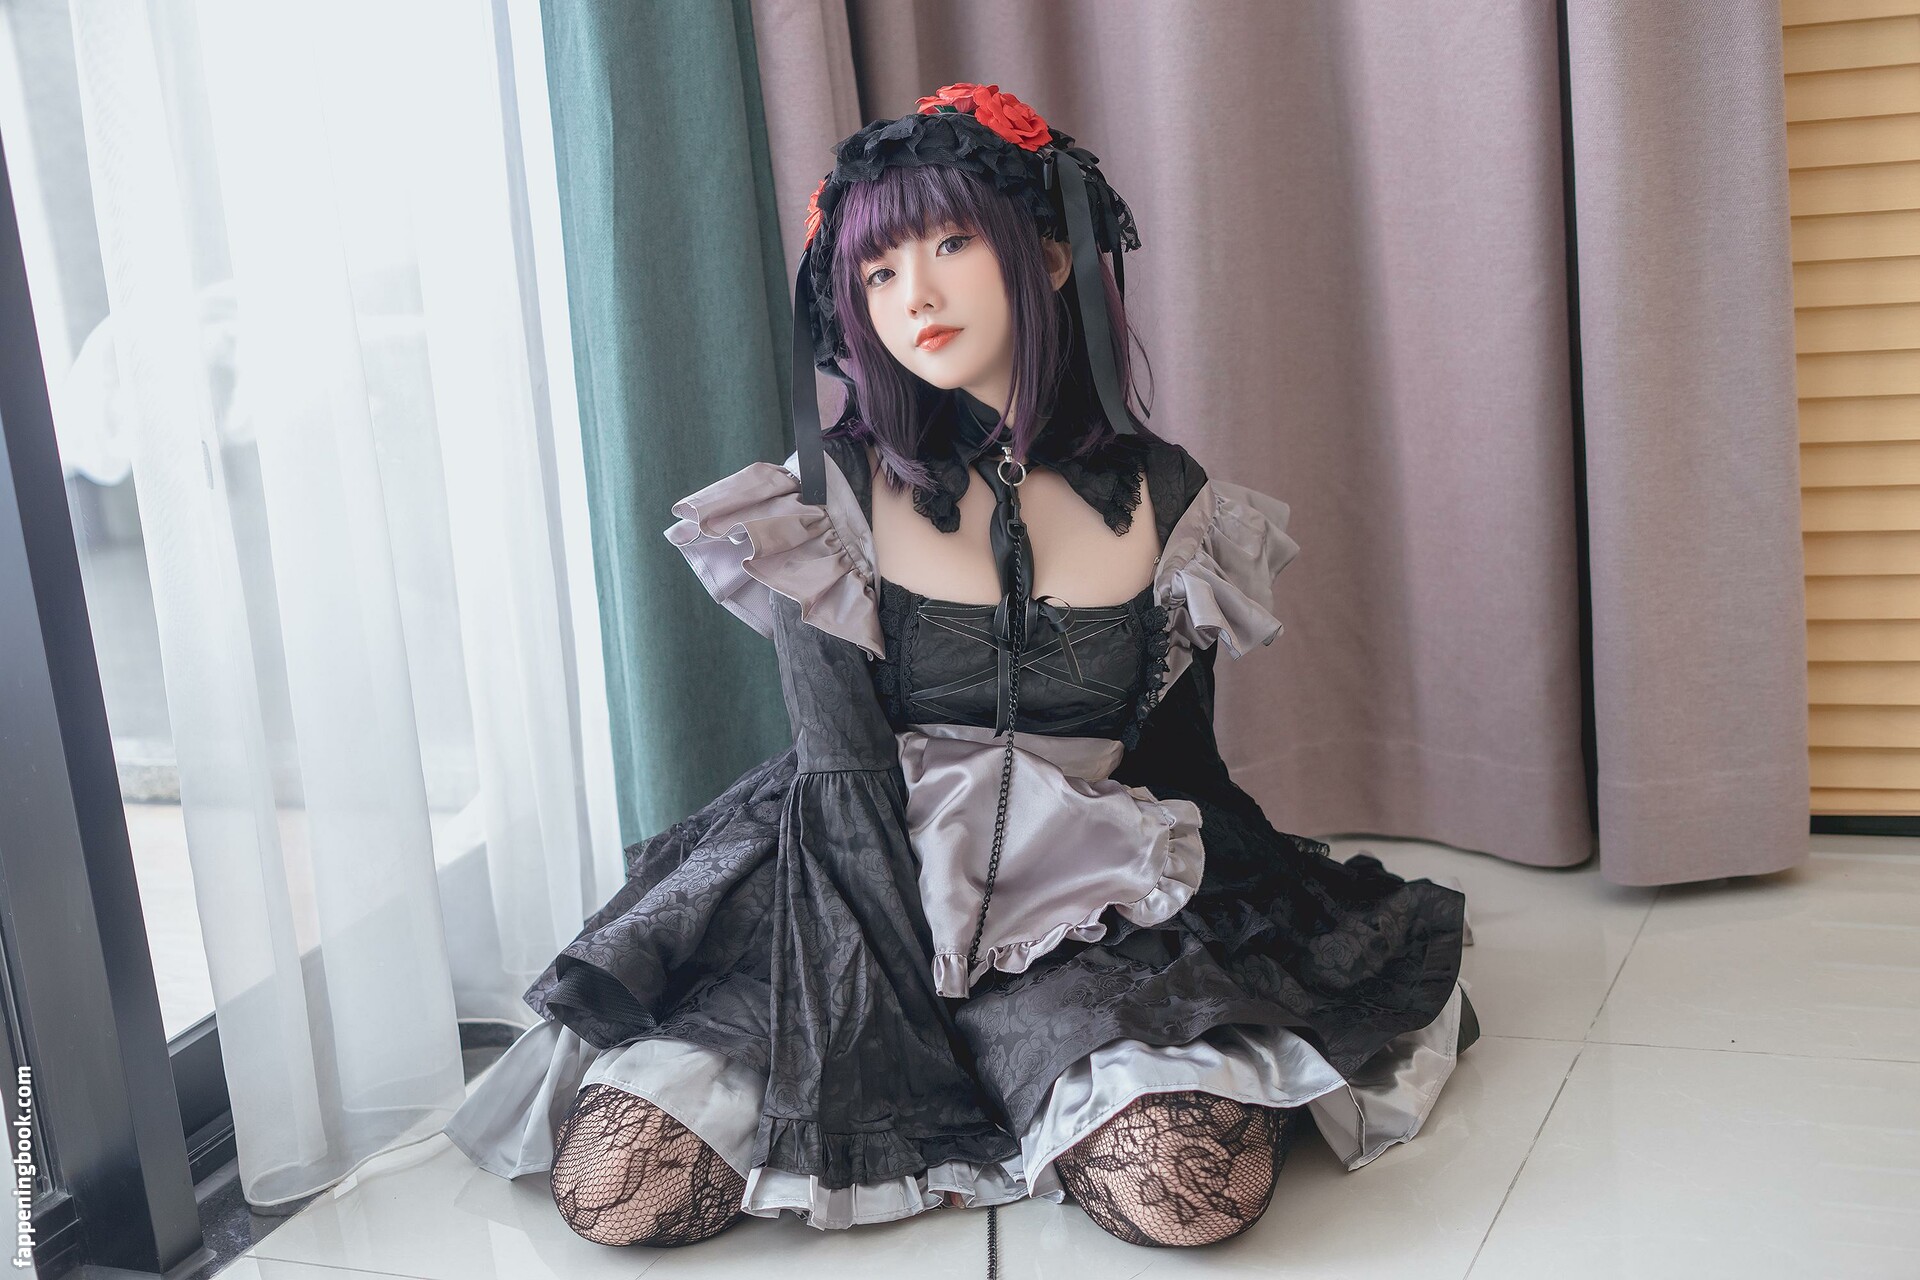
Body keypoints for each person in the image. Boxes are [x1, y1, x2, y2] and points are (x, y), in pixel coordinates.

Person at [444, 83, 1477, 1265]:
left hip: (1083, 896)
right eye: (878, 271)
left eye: (948, 245)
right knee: (616, 1187)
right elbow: (842, 773)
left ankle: (1048, 1076)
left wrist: (1252, 959)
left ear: (1048, 256)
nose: (914, 298)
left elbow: (1182, 768)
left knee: (1187, 1193)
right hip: (852, 877)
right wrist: (883, 1069)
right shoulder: (825, 498)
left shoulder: (1172, 495)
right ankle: (1006, 1094)